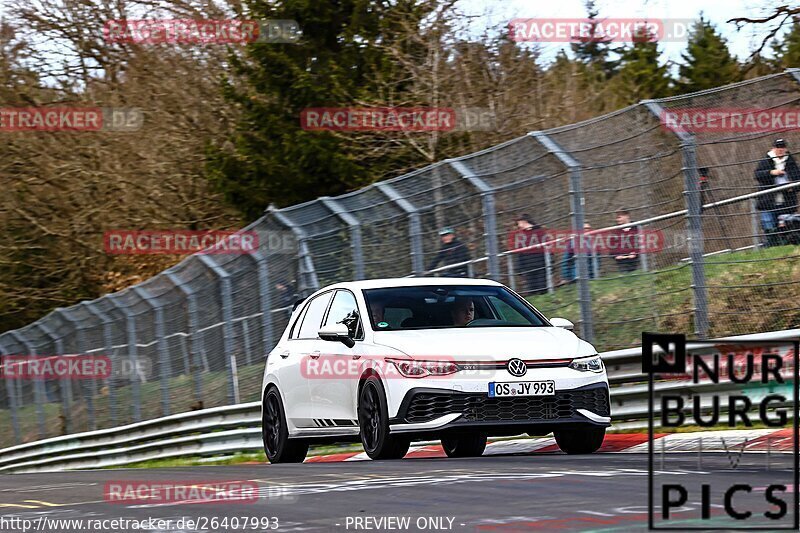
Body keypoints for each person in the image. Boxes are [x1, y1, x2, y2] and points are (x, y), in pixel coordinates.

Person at [754, 138, 800, 247]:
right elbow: (757, 175)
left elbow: (798, 179)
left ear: (785, 148)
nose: (780, 150)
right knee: (769, 226)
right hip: (768, 202)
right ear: (773, 148)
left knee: (789, 227)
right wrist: (771, 172)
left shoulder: (791, 162)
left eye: (782, 147)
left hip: (787, 202)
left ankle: (786, 246)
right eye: (778, 147)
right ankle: (771, 246)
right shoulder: (766, 161)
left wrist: (791, 186)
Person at [510, 214, 547, 294]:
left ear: (524, 221)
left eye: (519, 223)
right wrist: (519, 267)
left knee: (542, 288)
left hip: (540, 264)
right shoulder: (521, 235)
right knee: (531, 290)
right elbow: (519, 251)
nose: (519, 225)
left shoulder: (539, 232)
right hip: (527, 266)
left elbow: (547, 247)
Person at [613, 209, 639, 273]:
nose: (617, 220)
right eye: (617, 218)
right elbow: (612, 244)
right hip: (621, 259)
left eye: (619, 217)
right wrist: (616, 255)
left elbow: (640, 241)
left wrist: (635, 252)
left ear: (627, 216)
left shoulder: (636, 227)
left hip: (633, 258)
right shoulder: (615, 230)